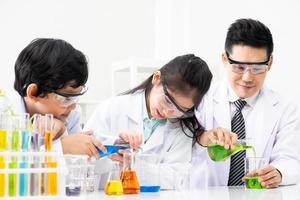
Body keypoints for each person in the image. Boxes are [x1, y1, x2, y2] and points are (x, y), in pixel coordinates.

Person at [191, 18, 300, 189]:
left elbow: (290, 158)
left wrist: (278, 172)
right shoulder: (200, 99)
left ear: (270, 62)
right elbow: (179, 152)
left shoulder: (285, 108)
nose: (247, 78)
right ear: (225, 59)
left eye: (257, 68)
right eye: (239, 67)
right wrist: (204, 138)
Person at [84, 54, 212, 189]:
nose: (169, 112)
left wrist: (136, 166)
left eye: (181, 110)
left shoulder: (182, 128)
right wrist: (114, 145)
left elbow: (179, 178)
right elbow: (81, 158)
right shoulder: (113, 108)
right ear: (157, 78)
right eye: (168, 101)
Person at [2, 38, 106, 156]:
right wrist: (61, 147)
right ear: (33, 93)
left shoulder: (70, 113)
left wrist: (62, 133)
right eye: (67, 98)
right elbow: (11, 166)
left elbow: (78, 167)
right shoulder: (4, 112)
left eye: (76, 96)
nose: (73, 106)